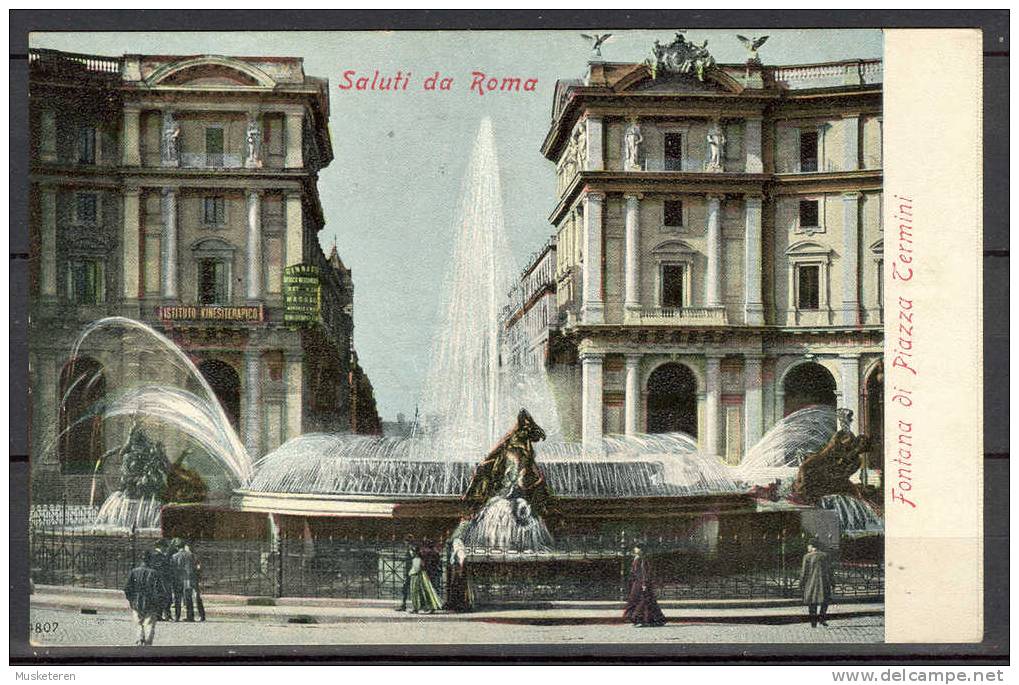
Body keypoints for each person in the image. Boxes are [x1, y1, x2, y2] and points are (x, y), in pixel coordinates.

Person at [124, 551, 167, 646]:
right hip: (151, 601)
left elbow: (127, 588)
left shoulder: (134, 572)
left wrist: (131, 599)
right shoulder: (154, 573)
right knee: (149, 622)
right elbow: (160, 590)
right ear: (150, 560)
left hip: (136, 600)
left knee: (138, 621)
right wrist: (160, 602)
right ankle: (148, 642)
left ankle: (139, 639)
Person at [622, 546, 666, 627]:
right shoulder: (637, 558)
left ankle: (641, 620)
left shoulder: (642, 559)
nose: (635, 549)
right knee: (645, 601)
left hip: (641, 583)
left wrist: (644, 584)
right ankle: (655, 619)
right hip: (638, 582)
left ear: (641, 550)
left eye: (637, 548)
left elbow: (644, 572)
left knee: (642, 601)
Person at [800, 539, 834, 627]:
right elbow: (830, 570)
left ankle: (813, 622)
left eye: (808, 546)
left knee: (812, 602)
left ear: (811, 546)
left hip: (811, 583)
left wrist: (801, 583)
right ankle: (822, 618)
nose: (807, 547)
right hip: (824, 582)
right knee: (825, 601)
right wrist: (833, 582)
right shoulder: (825, 555)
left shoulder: (807, 557)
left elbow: (804, 572)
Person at [172, 539, 206, 622]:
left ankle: (177, 616)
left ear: (177, 547)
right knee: (188, 599)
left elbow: (174, 569)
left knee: (178, 598)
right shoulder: (190, 555)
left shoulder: (174, 556)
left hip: (178, 579)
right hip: (189, 579)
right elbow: (195, 568)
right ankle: (190, 616)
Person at [407, 546, 442, 614]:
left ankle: (417, 608)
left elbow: (417, 569)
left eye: (412, 551)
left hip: (417, 577)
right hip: (419, 576)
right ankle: (422, 607)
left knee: (416, 592)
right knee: (423, 592)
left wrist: (411, 573)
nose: (410, 553)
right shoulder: (418, 559)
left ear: (415, 552)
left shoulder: (417, 559)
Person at [444, 538, 473, 612]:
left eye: (454, 544)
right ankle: (454, 605)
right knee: (455, 588)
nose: (453, 546)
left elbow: (461, 561)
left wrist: (459, 570)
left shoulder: (460, 551)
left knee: (459, 589)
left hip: (458, 573)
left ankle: (459, 606)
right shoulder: (456, 551)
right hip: (456, 572)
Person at [150, 539, 175, 621]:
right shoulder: (160, 556)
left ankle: (159, 614)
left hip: (155, 580)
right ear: (161, 546)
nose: (165, 548)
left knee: (160, 597)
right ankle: (163, 614)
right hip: (162, 579)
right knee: (164, 596)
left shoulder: (153, 556)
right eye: (164, 547)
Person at [395, 540, 414, 611]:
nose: (404, 543)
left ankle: (404, 605)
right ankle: (404, 605)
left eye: (406, 541)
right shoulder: (410, 549)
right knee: (405, 589)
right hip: (409, 571)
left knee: (406, 588)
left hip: (410, 572)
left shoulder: (410, 549)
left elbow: (413, 558)